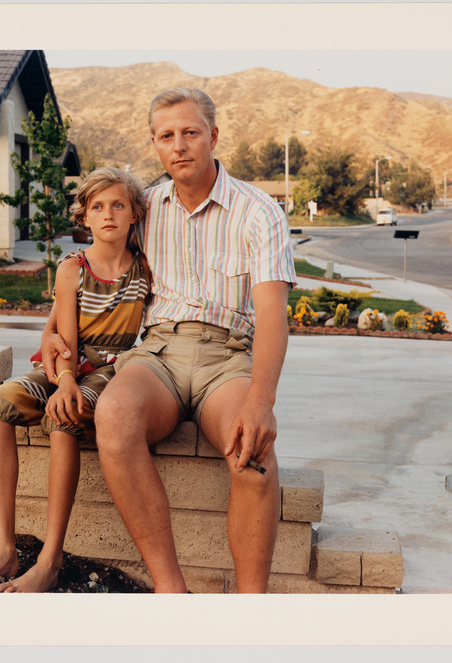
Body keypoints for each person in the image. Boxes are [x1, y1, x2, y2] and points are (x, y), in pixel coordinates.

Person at [41, 88, 296, 593]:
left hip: (227, 359)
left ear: (213, 136)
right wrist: (52, 329)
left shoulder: (259, 212)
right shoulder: (146, 209)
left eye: (190, 132)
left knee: (252, 454)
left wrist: (261, 401)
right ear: (155, 145)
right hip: (158, 353)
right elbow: (94, 263)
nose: (178, 146)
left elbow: (272, 317)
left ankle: (252, 612)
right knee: (114, 415)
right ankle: (170, 589)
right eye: (166, 136)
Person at [0, 167, 150, 592]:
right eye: (98, 207)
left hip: (112, 369)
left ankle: (50, 558)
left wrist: (71, 387)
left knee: (62, 418)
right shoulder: (72, 268)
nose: (108, 214)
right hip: (67, 362)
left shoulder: (145, 268)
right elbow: (64, 337)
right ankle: (3, 548)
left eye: (118, 205)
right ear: (85, 217)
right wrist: (65, 379)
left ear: (134, 214)